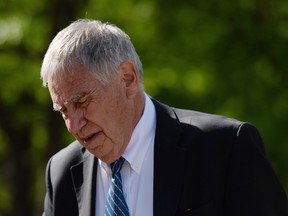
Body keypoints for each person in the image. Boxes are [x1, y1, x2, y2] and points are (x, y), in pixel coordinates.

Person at [40, 19, 288, 216]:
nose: (73, 125)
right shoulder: (62, 171)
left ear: (127, 79)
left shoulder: (225, 148)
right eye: (63, 111)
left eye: (81, 102)